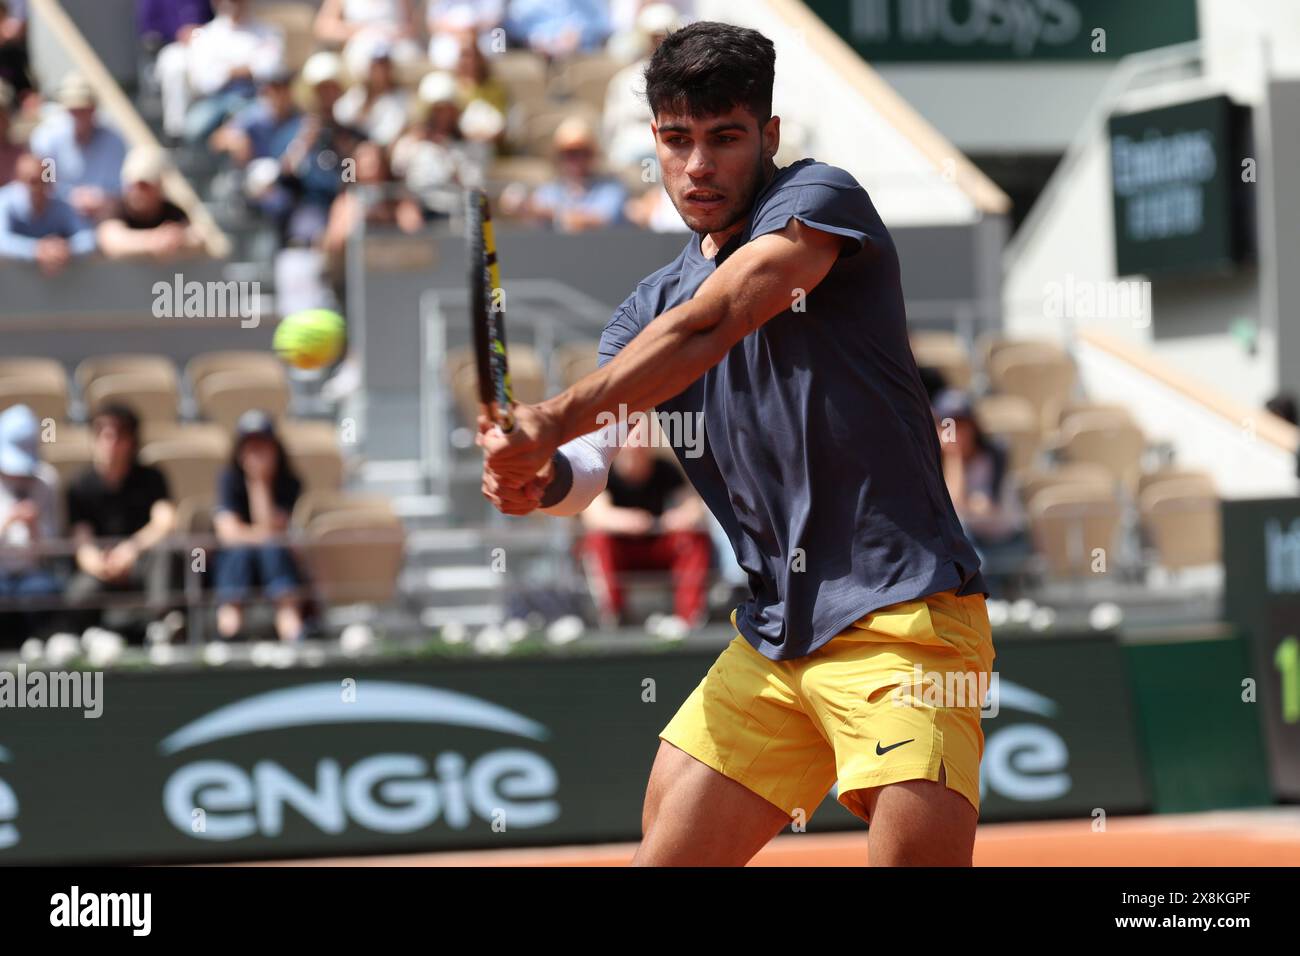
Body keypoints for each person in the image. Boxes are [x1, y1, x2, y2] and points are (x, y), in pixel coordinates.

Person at [478, 22, 992, 866]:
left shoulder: (820, 202)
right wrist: (539, 478)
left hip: (906, 622)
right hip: (773, 639)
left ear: (770, 137)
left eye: (725, 138)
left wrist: (552, 416)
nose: (699, 166)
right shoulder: (644, 308)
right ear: (654, 143)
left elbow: (716, 319)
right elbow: (594, 466)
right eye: (678, 141)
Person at [578, 417, 710, 629]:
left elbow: (693, 507)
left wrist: (678, 518)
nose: (637, 444)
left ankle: (690, 616)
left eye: (642, 438)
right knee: (598, 541)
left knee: (693, 539)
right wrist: (629, 521)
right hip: (621, 552)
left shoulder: (666, 470)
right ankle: (614, 615)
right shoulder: (604, 472)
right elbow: (594, 516)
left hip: (659, 550)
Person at [64, 404, 177, 633]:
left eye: (118, 435)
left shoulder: (152, 478)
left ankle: (162, 628)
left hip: (141, 560)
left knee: (165, 554)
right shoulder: (79, 485)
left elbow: (165, 521)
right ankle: (79, 639)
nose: (110, 443)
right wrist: (99, 564)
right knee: (78, 592)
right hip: (101, 566)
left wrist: (131, 550)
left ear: (131, 441)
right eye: (103, 434)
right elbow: (81, 540)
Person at [212, 410, 306, 641]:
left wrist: (259, 482)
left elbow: (274, 529)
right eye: (250, 446)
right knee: (240, 553)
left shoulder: (291, 483)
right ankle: (228, 632)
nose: (256, 453)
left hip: (276, 561)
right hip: (239, 561)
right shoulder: (228, 479)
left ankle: (292, 630)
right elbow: (228, 535)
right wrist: (263, 535)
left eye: (262, 445)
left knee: (273, 551)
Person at [932, 389, 1027, 579]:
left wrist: (954, 455)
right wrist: (953, 457)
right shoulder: (936, 461)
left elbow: (981, 507)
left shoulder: (994, 455)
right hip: (972, 543)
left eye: (962, 425)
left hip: (1007, 543)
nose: (955, 433)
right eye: (948, 426)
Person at [180, 0, 285, 144]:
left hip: (256, 97)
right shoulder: (205, 35)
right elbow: (203, 81)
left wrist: (226, 70)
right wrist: (241, 69)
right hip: (216, 100)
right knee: (193, 127)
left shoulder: (269, 32)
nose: (233, 3)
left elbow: (270, 69)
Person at [0, 404, 61, 643]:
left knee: (41, 593)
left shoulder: (47, 481)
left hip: (34, 573)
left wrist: (34, 527)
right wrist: (8, 522)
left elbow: (55, 548)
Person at [501, 116, 627, 232]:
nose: (575, 160)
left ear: (592, 154)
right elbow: (534, 214)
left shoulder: (611, 188)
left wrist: (550, 214)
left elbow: (601, 219)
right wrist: (521, 206)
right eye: (569, 153)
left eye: (582, 152)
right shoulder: (549, 190)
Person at [29, 73, 127, 222]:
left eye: (84, 109)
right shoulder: (46, 139)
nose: (79, 116)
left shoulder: (114, 140)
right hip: (58, 213)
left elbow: (118, 185)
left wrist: (97, 197)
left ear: (94, 109)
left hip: (102, 214)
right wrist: (71, 197)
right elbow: (46, 182)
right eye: (73, 110)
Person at [604, 3, 680, 170]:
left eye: (663, 36)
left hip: (669, 146)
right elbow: (611, 127)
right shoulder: (625, 79)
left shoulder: (684, 77)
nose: (659, 43)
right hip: (631, 148)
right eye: (654, 37)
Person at [97, 146, 203, 260]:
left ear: (158, 185)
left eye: (144, 185)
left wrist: (180, 239)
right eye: (132, 185)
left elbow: (197, 239)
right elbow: (110, 241)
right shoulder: (116, 207)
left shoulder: (172, 212)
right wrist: (155, 240)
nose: (137, 191)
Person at [0, 151, 97, 275]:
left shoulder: (59, 204)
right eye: (33, 181)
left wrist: (65, 250)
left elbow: (87, 238)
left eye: (45, 181)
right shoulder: (3, 202)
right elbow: (1, 241)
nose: (39, 187)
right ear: (18, 181)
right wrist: (37, 250)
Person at [332, 37, 410, 147]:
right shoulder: (359, 92)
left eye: (384, 65)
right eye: (376, 66)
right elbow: (341, 114)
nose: (380, 71)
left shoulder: (399, 97)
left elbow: (388, 134)